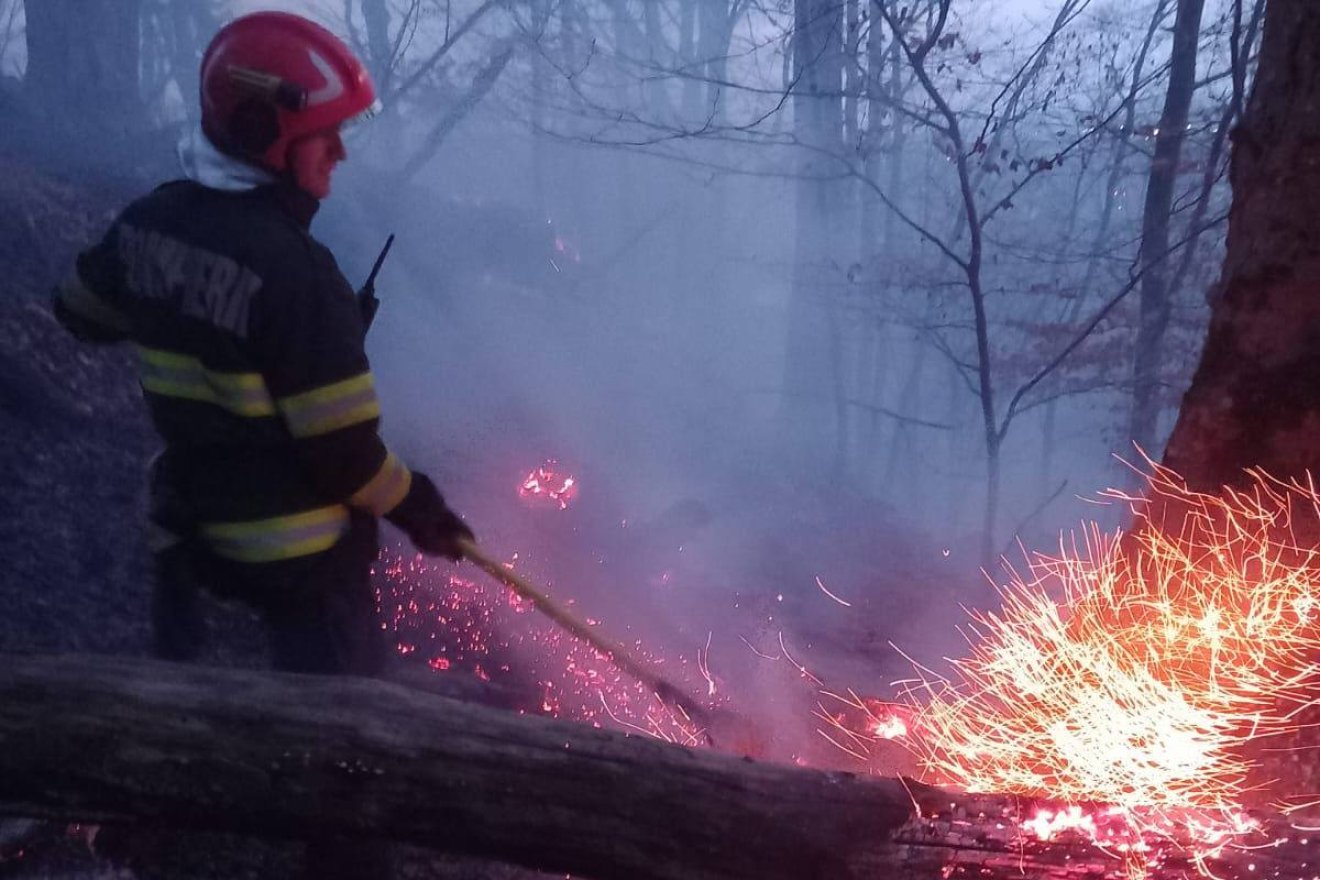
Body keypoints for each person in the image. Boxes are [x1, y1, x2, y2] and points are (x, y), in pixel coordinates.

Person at [53, 12, 472, 709]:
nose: (338, 152)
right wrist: (422, 508)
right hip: (298, 561)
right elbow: (346, 460)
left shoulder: (150, 221)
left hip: (190, 533)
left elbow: (78, 312)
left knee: (192, 723)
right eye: (326, 134)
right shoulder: (299, 276)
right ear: (262, 136)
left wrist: (183, 312)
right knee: (350, 739)